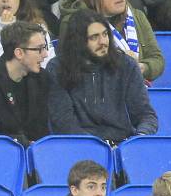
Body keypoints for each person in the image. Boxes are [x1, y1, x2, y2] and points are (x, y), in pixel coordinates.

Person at [49, 9, 158, 143]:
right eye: (94, 37)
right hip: (79, 146)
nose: (103, 42)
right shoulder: (57, 68)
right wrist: (99, 146)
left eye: (105, 34)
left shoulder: (126, 65)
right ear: (78, 41)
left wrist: (139, 138)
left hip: (121, 144)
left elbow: (146, 115)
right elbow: (64, 122)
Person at [65, 0, 164, 83]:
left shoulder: (137, 16)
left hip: (137, 88)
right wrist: (119, 63)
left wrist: (142, 67)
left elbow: (157, 59)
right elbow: (76, 66)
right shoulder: (75, 21)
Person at [0, 21, 49, 143]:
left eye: (45, 48)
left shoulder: (43, 78)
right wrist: (21, 142)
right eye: (39, 49)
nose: (45, 54)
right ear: (19, 53)